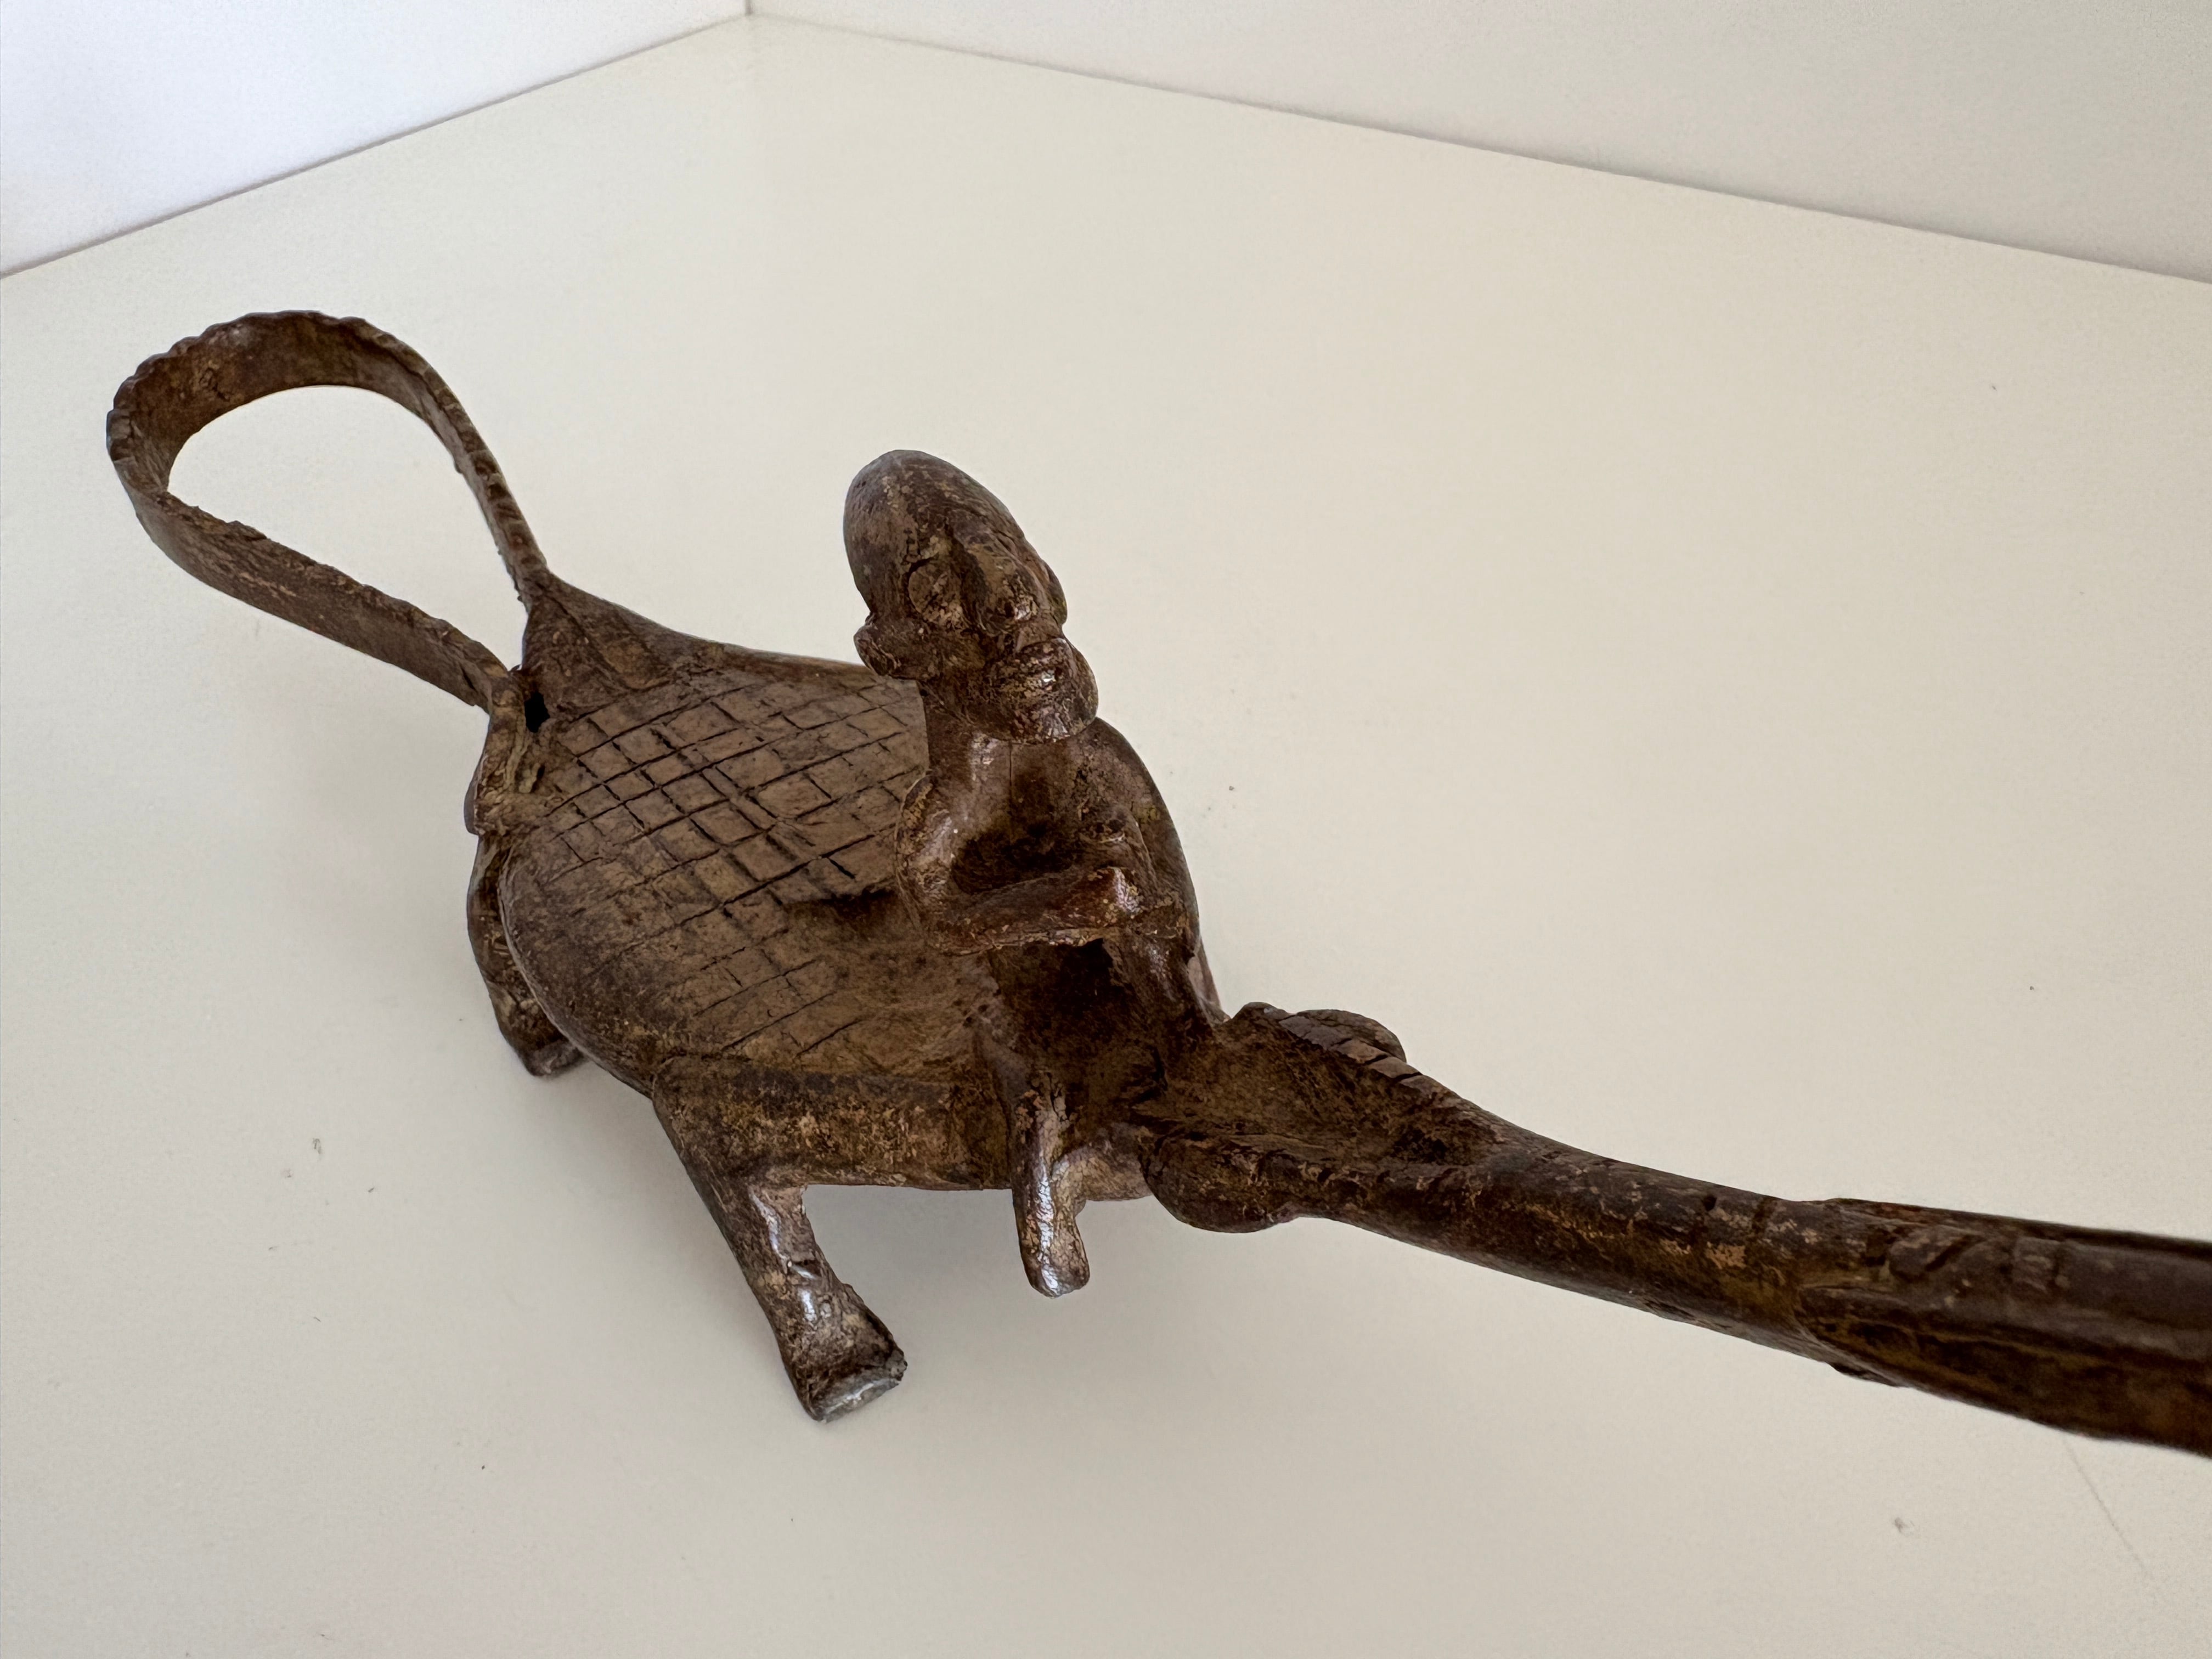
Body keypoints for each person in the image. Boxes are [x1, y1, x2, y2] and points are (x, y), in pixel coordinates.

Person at [844, 450, 1221, 1294]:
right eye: (940, 590)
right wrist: (1056, 904)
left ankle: (1152, 1080)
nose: (1010, 604)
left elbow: (1160, 902)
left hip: (1142, 973)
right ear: (893, 651)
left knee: (1160, 971)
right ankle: (1054, 1154)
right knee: (1027, 1077)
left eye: (1011, 560)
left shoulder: (1095, 761)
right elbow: (941, 911)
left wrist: (1119, 900)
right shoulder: (945, 812)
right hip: (1027, 979)